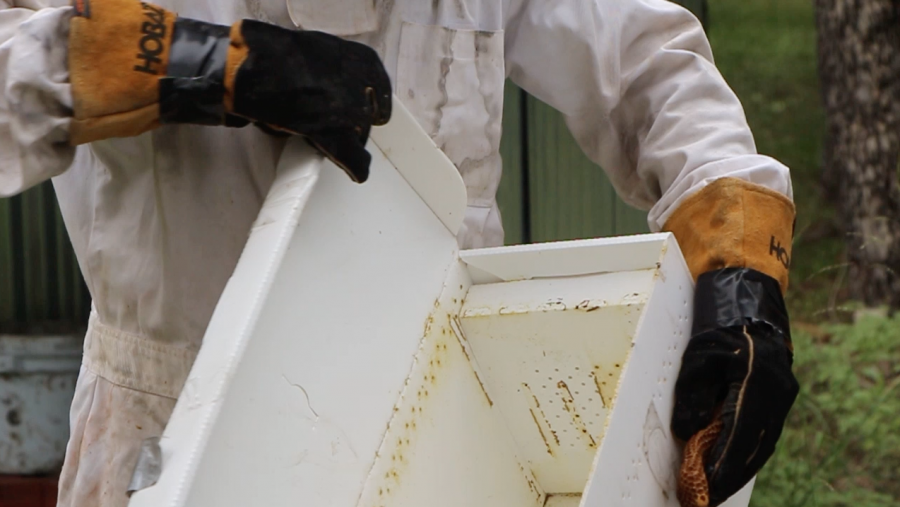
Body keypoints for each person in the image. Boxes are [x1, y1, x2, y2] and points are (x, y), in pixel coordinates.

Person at [0, 1, 799, 506]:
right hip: (180, 428)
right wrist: (199, 63)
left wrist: (739, 255)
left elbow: (640, 64)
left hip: (442, 401)